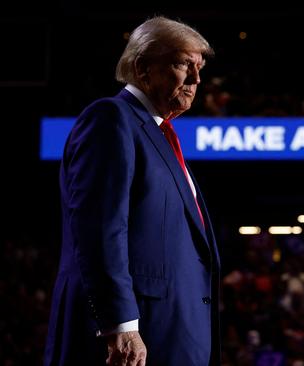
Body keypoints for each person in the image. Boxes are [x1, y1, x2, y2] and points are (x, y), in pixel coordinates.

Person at [44, 16, 221, 366]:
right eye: (184, 64)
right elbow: (99, 229)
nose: (197, 80)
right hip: (132, 337)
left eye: (199, 68)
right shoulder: (111, 118)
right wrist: (120, 323)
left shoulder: (160, 135)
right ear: (143, 68)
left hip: (172, 335)